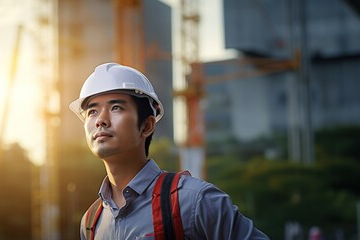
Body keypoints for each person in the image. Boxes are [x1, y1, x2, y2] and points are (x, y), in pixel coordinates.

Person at [69, 62, 269, 239]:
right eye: (92, 111)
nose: (101, 120)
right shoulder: (91, 223)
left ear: (147, 126)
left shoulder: (194, 201)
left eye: (116, 108)